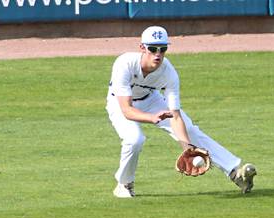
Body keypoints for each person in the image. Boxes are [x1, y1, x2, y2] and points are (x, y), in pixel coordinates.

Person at [106, 25, 257, 198]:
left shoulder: (168, 73)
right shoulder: (124, 63)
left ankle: (235, 174)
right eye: (153, 48)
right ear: (142, 48)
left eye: (163, 49)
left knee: (190, 130)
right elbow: (127, 110)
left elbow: (175, 116)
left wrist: (187, 148)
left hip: (152, 100)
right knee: (135, 139)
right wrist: (151, 117)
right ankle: (124, 184)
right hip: (120, 103)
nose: (158, 54)